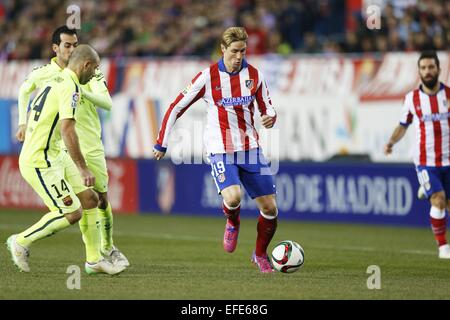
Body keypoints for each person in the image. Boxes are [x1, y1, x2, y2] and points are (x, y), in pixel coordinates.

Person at [153, 27, 278, 273]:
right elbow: (176, 107)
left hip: (250, 148)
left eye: (243, 50)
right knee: (233, 197)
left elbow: (268, 108)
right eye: (234, 51)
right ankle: (233, 221)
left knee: (270, 209)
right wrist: (161, 142)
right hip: (220, 149)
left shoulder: (255, 75)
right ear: (223, 49)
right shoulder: (207, 77)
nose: (239, 56)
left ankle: (260, 254)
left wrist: (270, 118)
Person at [16, 26, 129, 269]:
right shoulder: (57, 79)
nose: (71, 49)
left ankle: (96, 258)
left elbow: (106, 103)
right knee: (72, 212)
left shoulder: (64, 79)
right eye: (67, 45)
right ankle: (20, 241)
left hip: (72, 148)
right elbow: (66, 128)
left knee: (93, 199)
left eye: (74, 45)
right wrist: (22, 123)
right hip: (48, 154)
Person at [384, 51, 450, 259]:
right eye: (423, 68)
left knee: (446, 204)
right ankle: (443, 248)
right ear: (419, 71)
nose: (427, 71)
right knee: (438, 200)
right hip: (425, 161)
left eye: (431, 67)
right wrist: (391, 142)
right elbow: (403, 125)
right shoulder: (412, 99)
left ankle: (426, 188)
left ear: (439, 69)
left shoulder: (449, 95)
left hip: (448, 160)